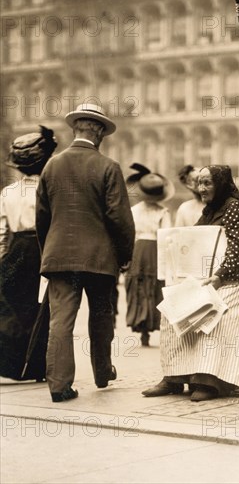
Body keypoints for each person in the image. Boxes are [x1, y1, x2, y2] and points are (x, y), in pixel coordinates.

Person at [36, 103, 135, 403]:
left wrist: (49, 252)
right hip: (99, 259)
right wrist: (124, 254)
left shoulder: (51, 166)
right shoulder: (108, 167)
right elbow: (119, 217)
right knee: (102, 316)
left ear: (76, 128)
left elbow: (42, 216)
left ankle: (59, 386)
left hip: (60, 257)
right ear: (100, 132)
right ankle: (103, 372)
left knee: (60, 322)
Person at [142, 164, 239, 402]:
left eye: (208, 183)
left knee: (213, 311)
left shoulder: (234, 208)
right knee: (171, 309)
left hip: (231, 281)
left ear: (221, 184)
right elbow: (193, 241)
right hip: (210, 279)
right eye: (200, 183)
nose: (202, 188)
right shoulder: (208, 211)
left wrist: (219, 276)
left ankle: (209, 379)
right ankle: (174, 377)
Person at [0, 126, 57, 381]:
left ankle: (11, 365)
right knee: (40, 309)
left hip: (15, 252)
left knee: (14, 307)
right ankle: (36, 366)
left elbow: (1, 231)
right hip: (43, 250)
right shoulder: (50, 190)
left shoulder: (8, 192)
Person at [124, 164, 174, 347]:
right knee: (154, 286)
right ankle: (151, 326)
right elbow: (167, 235)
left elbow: (129, 233)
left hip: (138, 250)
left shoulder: (133, 210)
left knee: (139, 286)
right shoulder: (162, 212)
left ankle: (142, 329)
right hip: (155, 250)